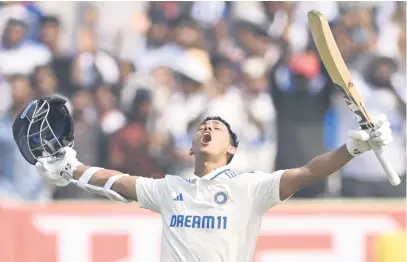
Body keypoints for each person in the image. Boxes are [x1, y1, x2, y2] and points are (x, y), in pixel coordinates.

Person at [35, 113, 394, 261]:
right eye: (202, 128)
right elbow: (118, 182)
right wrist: (72, 168)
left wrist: (354, 147)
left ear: (232, 148)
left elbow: (307, 172)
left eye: (217, 128)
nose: (207, 130)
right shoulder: (169, 188)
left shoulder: (250, 188)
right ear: (192, 146)